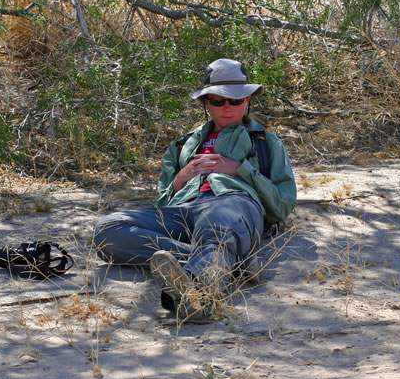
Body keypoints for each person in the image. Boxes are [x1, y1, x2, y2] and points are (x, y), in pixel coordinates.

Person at [93, 58, 297, 322]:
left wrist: (240, 170)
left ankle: (198, 294)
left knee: (217, 228)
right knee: (108, 230)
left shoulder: (266, 143)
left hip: (232, 203)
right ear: (206, 103)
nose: (227, 107)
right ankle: (228, 262)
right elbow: (163, 202)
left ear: (247, 101)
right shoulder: (182, 146)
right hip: (183, 209)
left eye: (235, 100)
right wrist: (181, 178)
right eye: (217, 100)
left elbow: (283, 205)